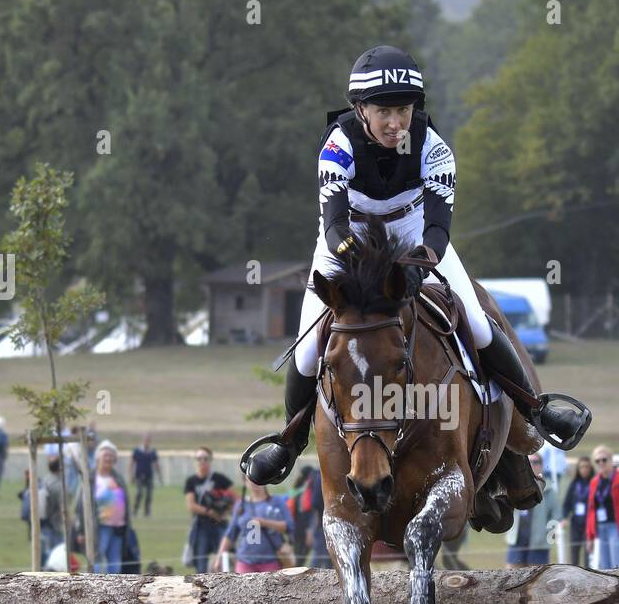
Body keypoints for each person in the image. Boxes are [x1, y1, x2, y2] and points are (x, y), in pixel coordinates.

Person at [241, 45, 590, 488]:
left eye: (403, 110)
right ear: (360, 108)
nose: (395, 123)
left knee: (479, 326)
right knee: (309, 348)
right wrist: (368, 270)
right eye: (384, 111)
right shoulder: (337, 144)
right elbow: (333, 227)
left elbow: (438, 233)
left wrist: (413, 266)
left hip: (415, 237)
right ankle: (288, 442)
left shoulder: (434, 147)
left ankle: (535, 409)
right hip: (348, 241)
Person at [213, 479, 294, 573]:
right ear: (245, 482)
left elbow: (289, 526)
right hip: (245, 562)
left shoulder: (277, 501)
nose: (255, 482)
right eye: (251, 479)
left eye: (259, 477)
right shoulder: (241, 505)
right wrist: (219, 558)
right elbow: (230, 534)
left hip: (271, 561)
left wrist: (265, 522)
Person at [80, 441, 129, 574]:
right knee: (97, 561)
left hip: (118, 527)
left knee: (115, 564)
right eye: (105, 455)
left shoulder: (118, 478)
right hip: (100, 527)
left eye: (111, 456)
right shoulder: (90, 478)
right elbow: (81, 505)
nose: (108, 458)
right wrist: (81, 530)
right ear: (98, 458)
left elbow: (125, 502)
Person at [184, 448, 235, 574]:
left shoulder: (219, 479)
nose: (202, 461)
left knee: (224, 562)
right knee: (201, 564)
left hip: (220, 525)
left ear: (210, 460)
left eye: (205, 458)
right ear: (195, 461)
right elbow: (191, 505)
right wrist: (210, 512)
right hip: (201, 526)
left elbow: (234, 498)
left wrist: (225, 511)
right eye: (199, 458)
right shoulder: (191, 481)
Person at [584, 446, 619, 570]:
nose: (601, 463)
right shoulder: (594, 482)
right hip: (600, 528)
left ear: (611, 460)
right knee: (604, 568)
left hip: (616, 527)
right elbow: (591, 510)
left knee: (618, 566)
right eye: (597, 461)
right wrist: (590, 536)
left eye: (604, 460)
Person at [507, 454, 554, 566]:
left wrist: (551, 533)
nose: (533, 464)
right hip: (517, 539)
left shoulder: (550, 490)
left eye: (536, 462)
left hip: (538, 542)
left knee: (536, 577)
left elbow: (556, 516)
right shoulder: (515, 486)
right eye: (530, 462)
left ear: (542, 465)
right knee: (512, 574)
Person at [560, 456, 595, 567]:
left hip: (589, 525)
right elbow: (566, 504)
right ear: (578, 469)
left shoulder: (594, 483)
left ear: (590, 468)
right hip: (575, 524)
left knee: (587, 556)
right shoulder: (574, 484)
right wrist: (565, 518)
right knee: (574, 555)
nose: (584, 469)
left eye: (587, 467)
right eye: (582, 467)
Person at [129, 433, 162, 519]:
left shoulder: (152, 451)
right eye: (145, 440)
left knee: (149, 494)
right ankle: (134, 511)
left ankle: (147, 513)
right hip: (139, 475)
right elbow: (132, 463)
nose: (147, 442)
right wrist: (131, 475)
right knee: (139, 493)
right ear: (143, 440)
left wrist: (159, 475)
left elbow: (156, 464)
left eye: (148, 440)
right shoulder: (137, 450)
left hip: (149, 476)